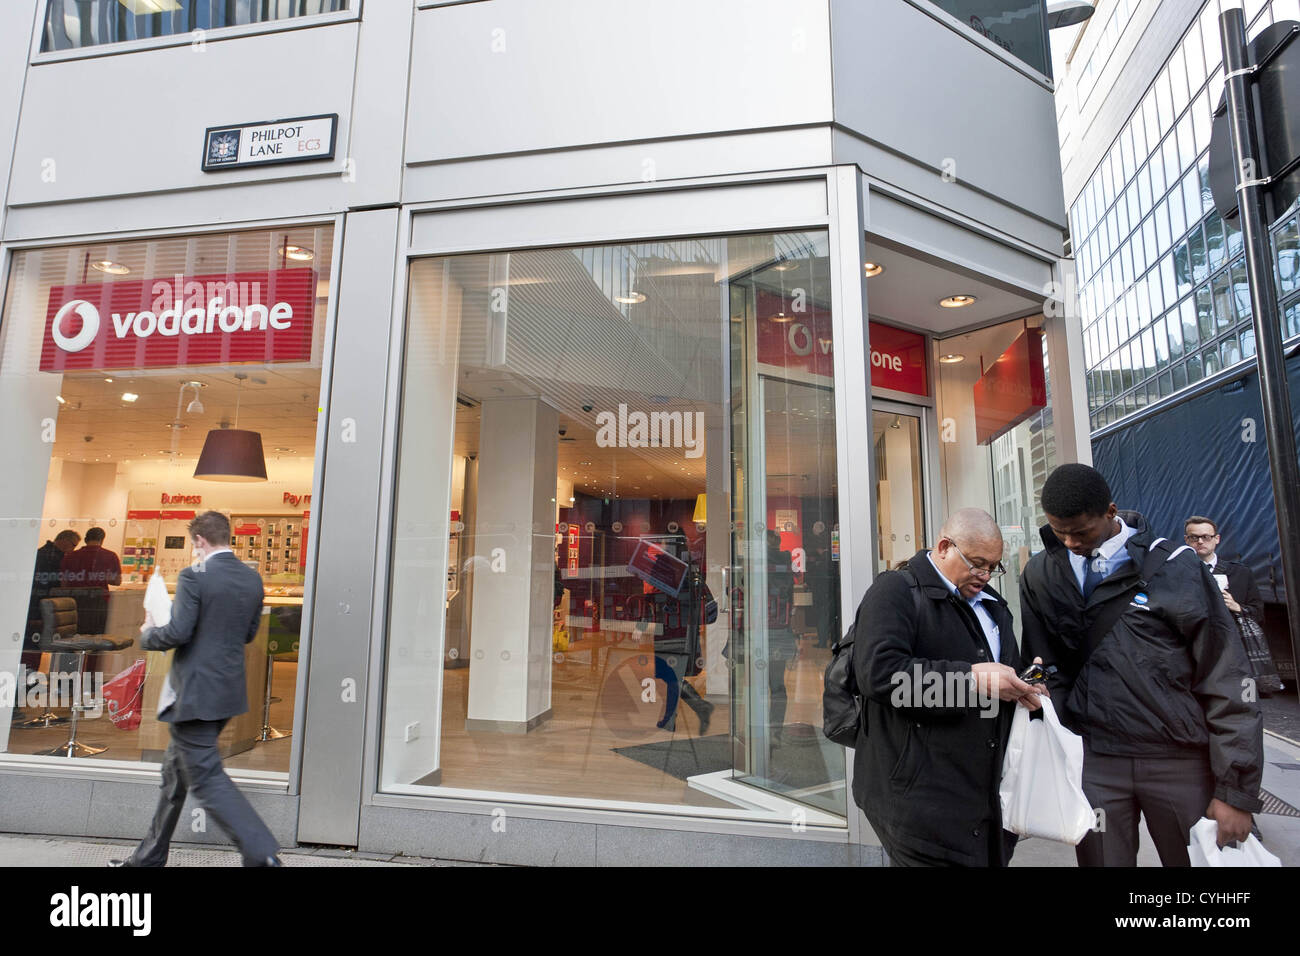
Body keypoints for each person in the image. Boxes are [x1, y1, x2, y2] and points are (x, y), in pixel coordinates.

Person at [1020, 464, 1263, 867]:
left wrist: (1235, 792)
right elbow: (1043, 666)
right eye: (1059, 531)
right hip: (1093, 761)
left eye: (1080, 531)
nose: (1070, 541)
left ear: (1111, 511)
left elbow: (1226, 676)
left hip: (1178, 760)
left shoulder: (1176, 566)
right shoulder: (1042, 573)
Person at [852, 508, 1043, 867]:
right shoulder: (894, 591)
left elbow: (1000, 681)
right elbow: (881, 677)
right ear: (944, 547)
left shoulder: (995, 608)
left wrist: (1023, 686)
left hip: (984, 800)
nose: (986, 576)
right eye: (977, 564)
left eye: (994, 567)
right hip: (920, 803)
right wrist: (973, 680)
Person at [112, 511, 281, 867]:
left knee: (205, 779)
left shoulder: (194, 576)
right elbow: (248, 633)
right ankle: (147, 860)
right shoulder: (252, 579)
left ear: (200, 541)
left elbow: (177, 633)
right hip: (226, 692)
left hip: (196, 693)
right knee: (174, 776)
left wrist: (148, 633)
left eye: (193, 545)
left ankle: (261, 851)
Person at [1184, 516, 1264, 621]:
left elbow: (1259, 614)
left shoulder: (1241, 573)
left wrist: (1237, 607)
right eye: (1194, 537)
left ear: (1217, 539)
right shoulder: (1177, 573)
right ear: (1186, 539)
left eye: (1206, 537)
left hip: (1231, 635)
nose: (1200, 541)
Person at [59, 526, 121, 590]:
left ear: (86, 540)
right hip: (100, 597)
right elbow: (117, 581)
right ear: (102, 540)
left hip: (74, 597)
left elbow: (63, 583)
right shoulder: (111, 556)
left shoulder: (70, 556)